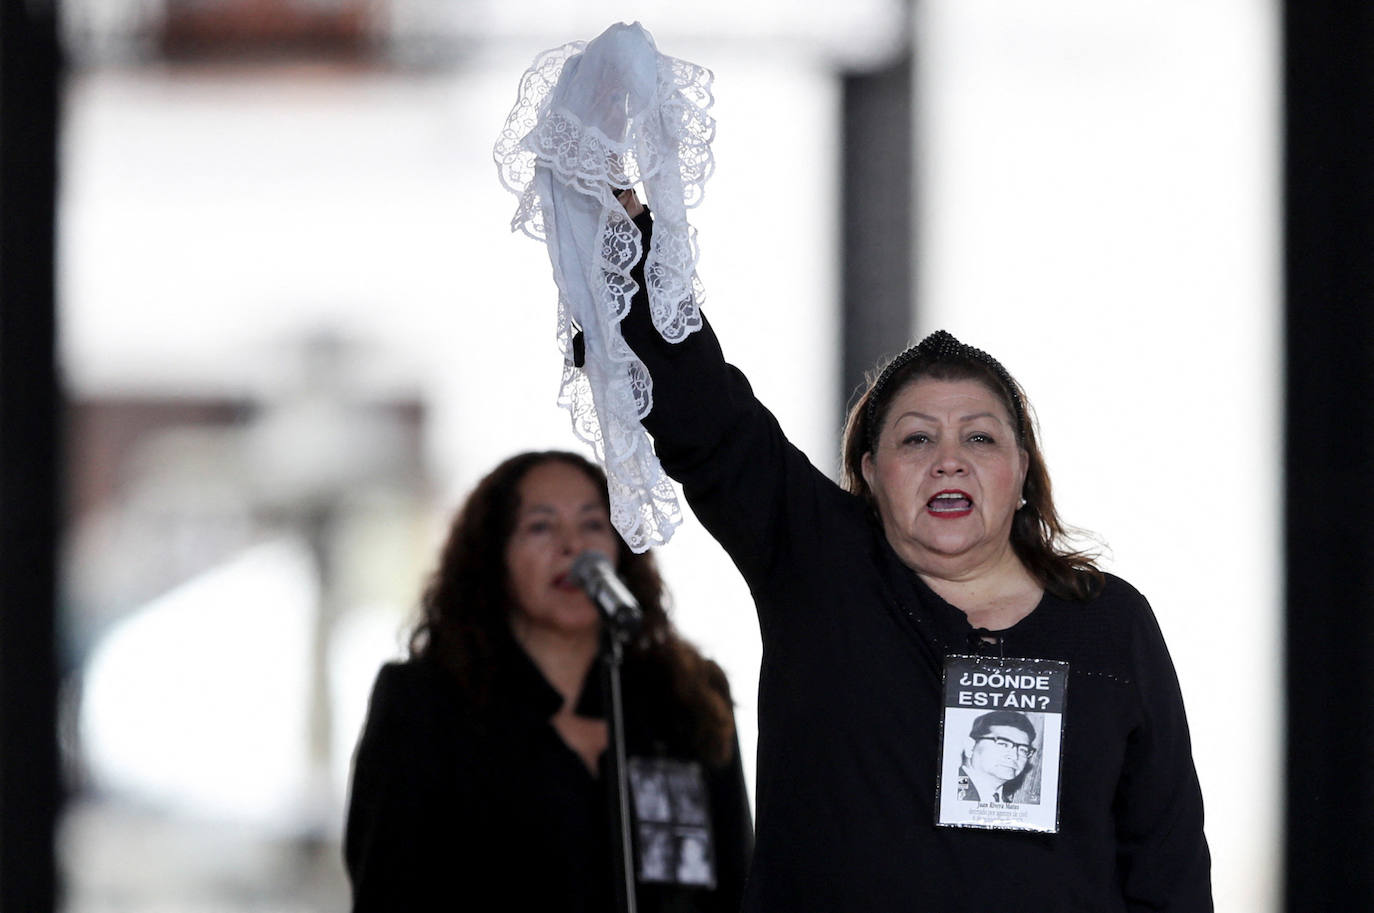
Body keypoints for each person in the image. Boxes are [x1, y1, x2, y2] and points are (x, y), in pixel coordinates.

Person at [608, 191, 1211, 911]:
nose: (948, 460)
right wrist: (624, 227)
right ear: (868, 471)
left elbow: (1167, 864)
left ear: (1022, 469)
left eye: (980, 438)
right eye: (917, 438)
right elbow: (706, 412)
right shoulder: (821, 568)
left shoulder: (1110, 622)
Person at [343, 450, 753, 912]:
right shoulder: (423, 702)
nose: (572, 546)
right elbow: (386, 888)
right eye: (540, 526)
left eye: (594, 525)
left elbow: (738, 881)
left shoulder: (688, 694)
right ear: (493, 556)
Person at [956, 709, 1038, 803]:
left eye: (1023, 750)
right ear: (970, 747)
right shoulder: (949, 790)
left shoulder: (1008, 805)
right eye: (1003, 744)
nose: (1014, 756)